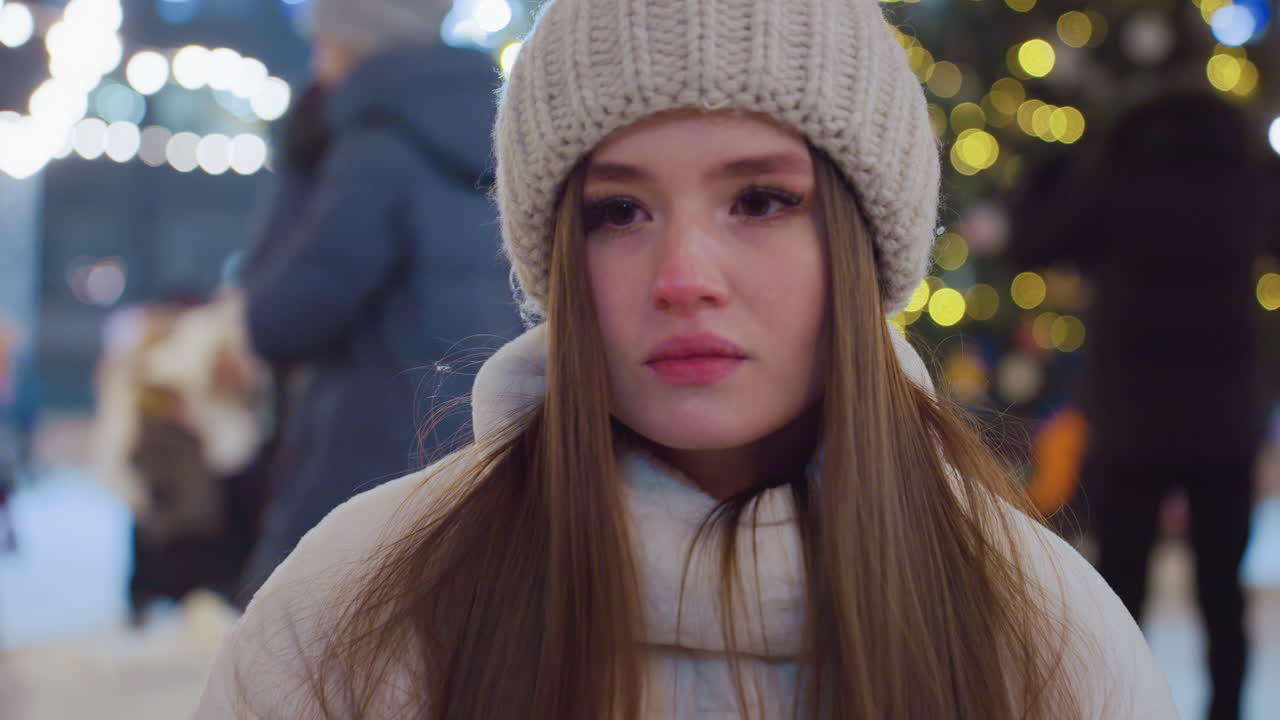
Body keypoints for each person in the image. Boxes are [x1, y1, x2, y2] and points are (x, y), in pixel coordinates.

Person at [195, 1, 1177, 717]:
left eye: (760, 201)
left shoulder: (1040, 632)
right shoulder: (355, 611)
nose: (683, 278)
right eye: (618, 212)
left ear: (860, 241)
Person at [235, 0, 522, 602]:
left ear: (349, 46)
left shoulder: (373, 148)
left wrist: (296, 163)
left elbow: (277, 319)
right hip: (481, 460)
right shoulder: (501, 137)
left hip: (362, 471)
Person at [1011, 90, 1279, 720]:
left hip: (1130, 420)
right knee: (1222, 595)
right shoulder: (1243, 181)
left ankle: (1117, 709)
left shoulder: (1114, 179)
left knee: (1118, 592)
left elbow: (1033, 242)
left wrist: (1048, 165)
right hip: (1221, 422)